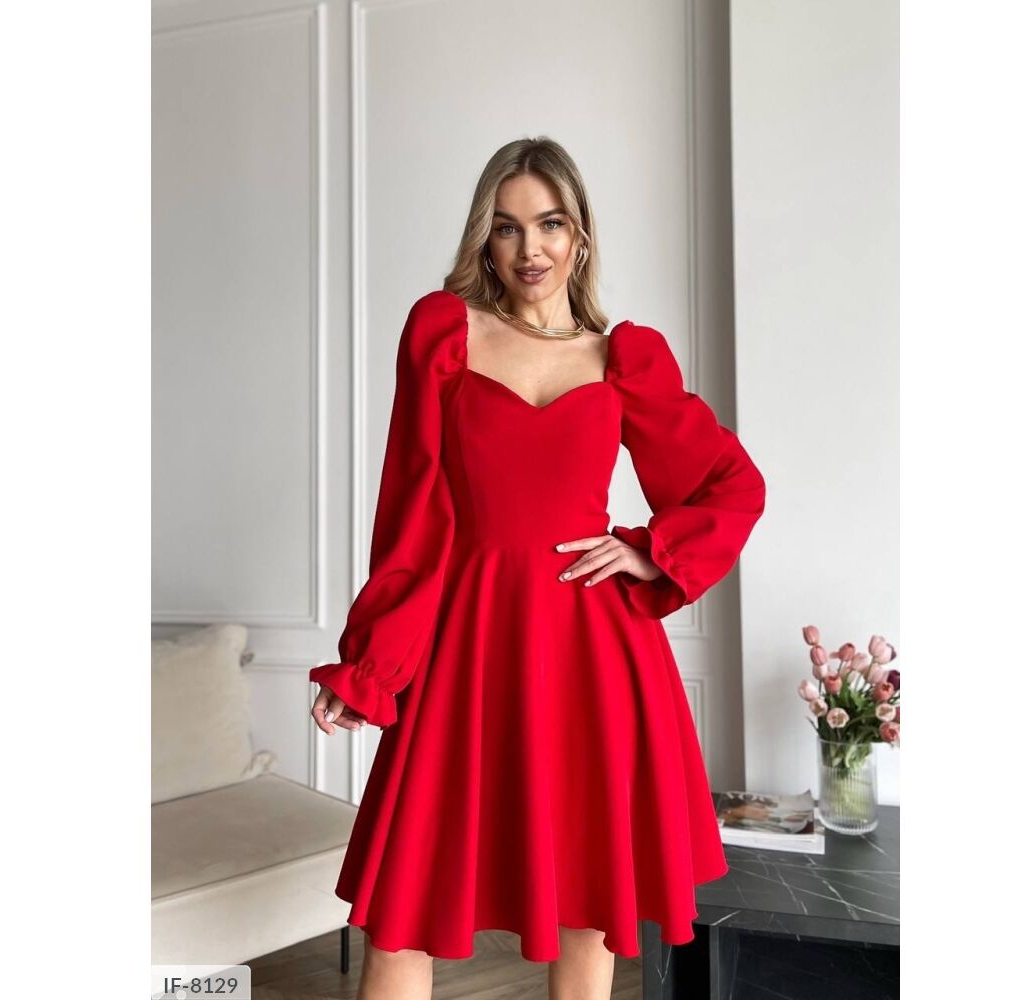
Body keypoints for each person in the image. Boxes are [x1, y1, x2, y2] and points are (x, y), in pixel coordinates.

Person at [309, 137, 766, 1000]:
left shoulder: (624, 358)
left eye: (550, 224)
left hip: (595, 652)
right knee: (403, 914)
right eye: (508, 227)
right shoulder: (444, 334)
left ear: (579, 234)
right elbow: (410, 512)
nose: (530, 249)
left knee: (588, 910)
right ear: (484, 238)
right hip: (468, 641)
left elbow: (730, 484)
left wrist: (649, 547)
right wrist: (370, 664)